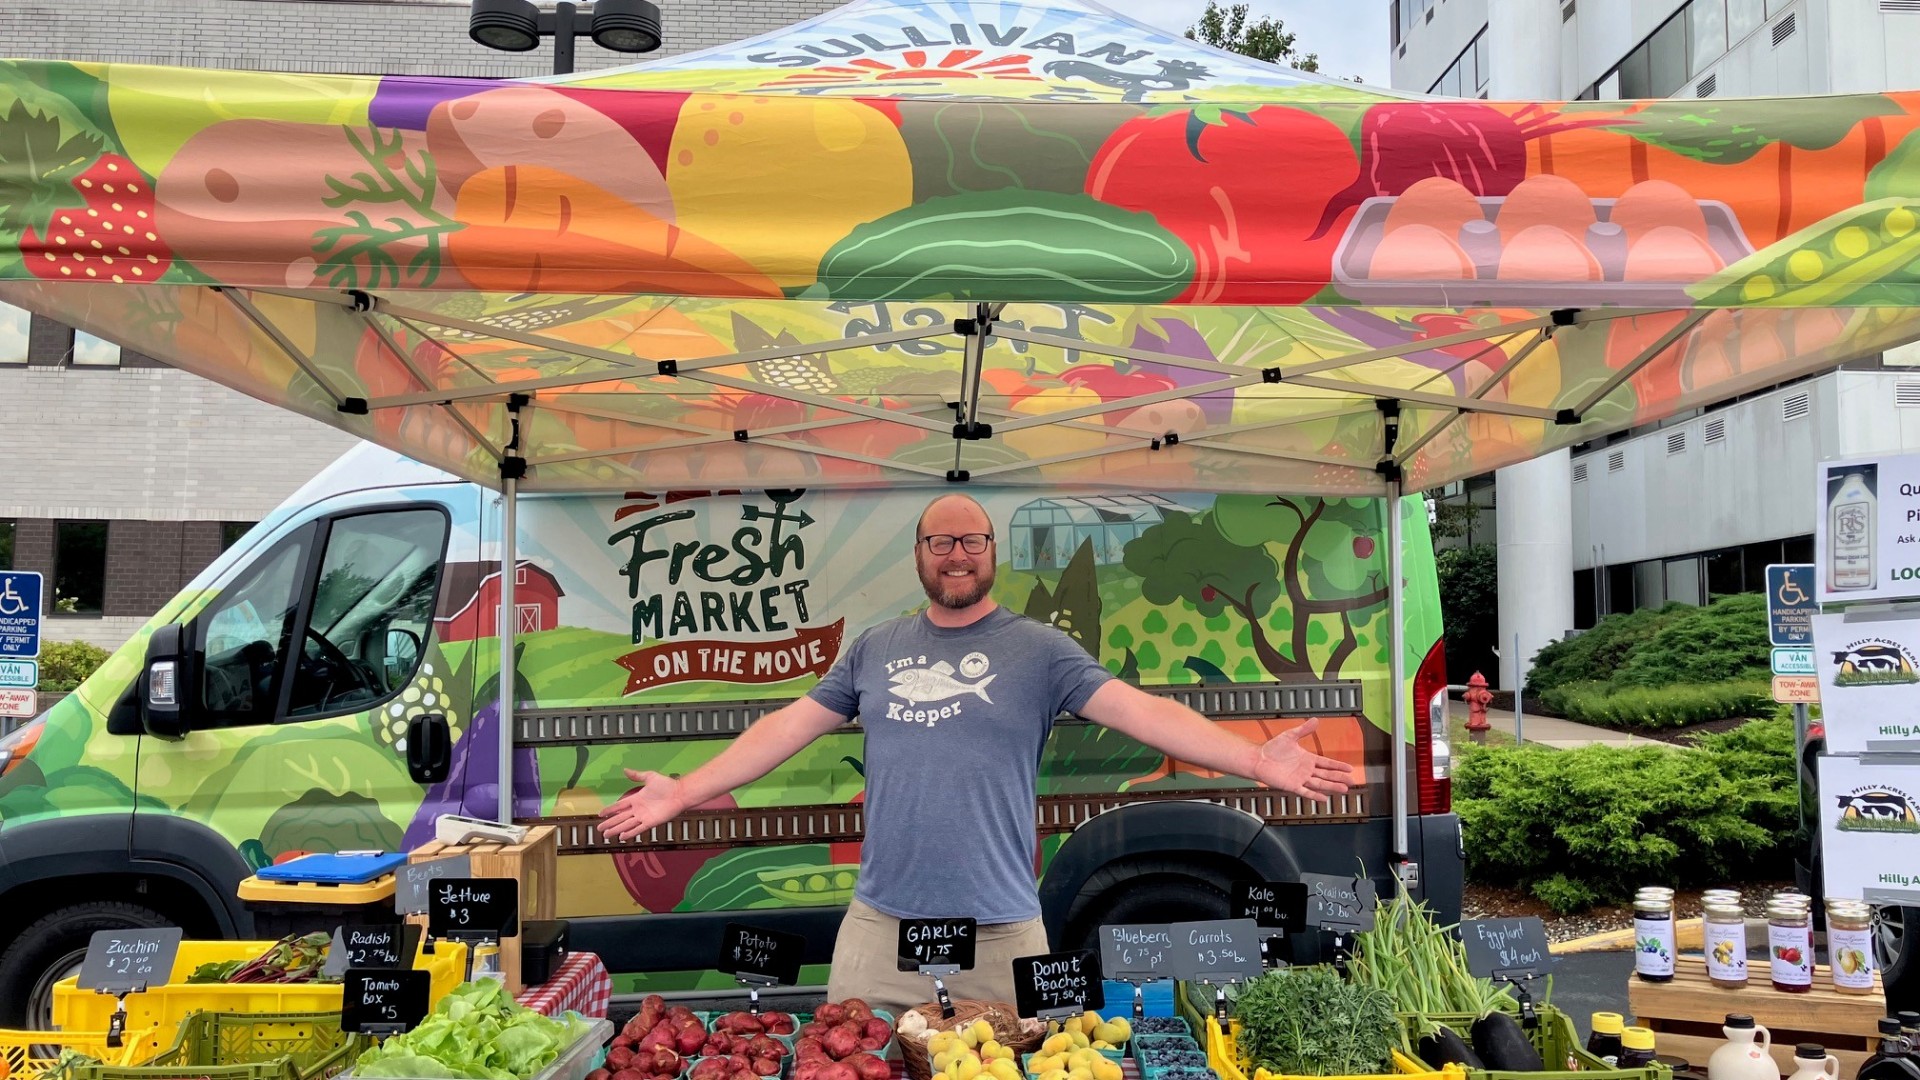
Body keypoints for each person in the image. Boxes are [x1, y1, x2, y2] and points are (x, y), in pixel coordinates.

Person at [599, 493, 1355, 1014]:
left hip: (1002, 935)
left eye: (971, 541)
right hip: (880, 934)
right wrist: (684, 791)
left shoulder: (1041, 652)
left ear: (991, 553)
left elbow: (1142, 712)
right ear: (920, 554)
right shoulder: (875, 648)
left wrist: (1255, 761)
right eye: (941, 541)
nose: (956, 554)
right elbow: (787, 727)